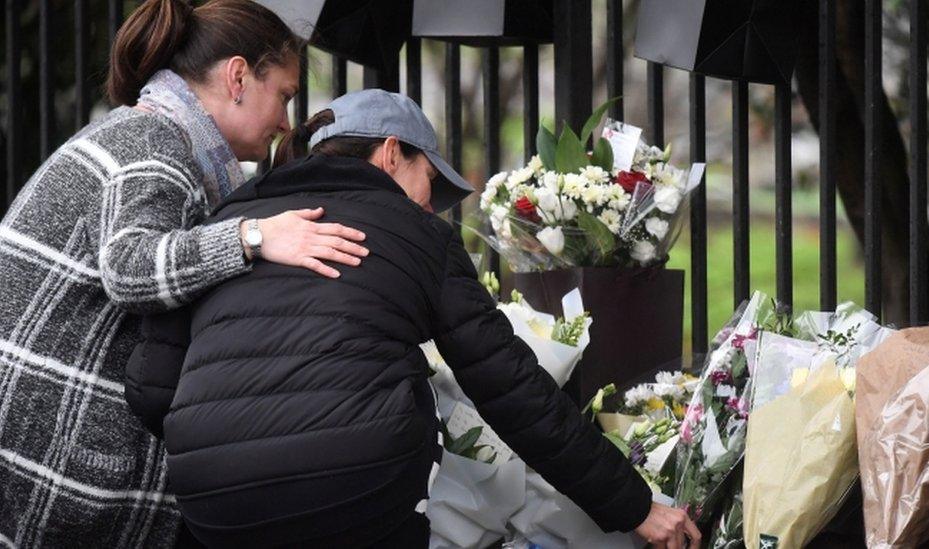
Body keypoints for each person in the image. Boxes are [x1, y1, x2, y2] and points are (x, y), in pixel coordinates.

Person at [128, 89, 702, 548]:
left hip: (214, 505)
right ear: (391, 151)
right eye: (430, 180)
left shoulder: (230, 225)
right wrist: (635, 506)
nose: (429, 205)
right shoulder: (420, 235)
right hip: (360, 488)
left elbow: (151, 390)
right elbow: (511, 388)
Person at [0, 0, 368, 546]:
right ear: (238, 76)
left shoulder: (145, 133)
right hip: (59, 468)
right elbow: (131, 268)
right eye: (284, 96)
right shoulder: (155, 145)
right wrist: (257, 235)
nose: (286, 123)